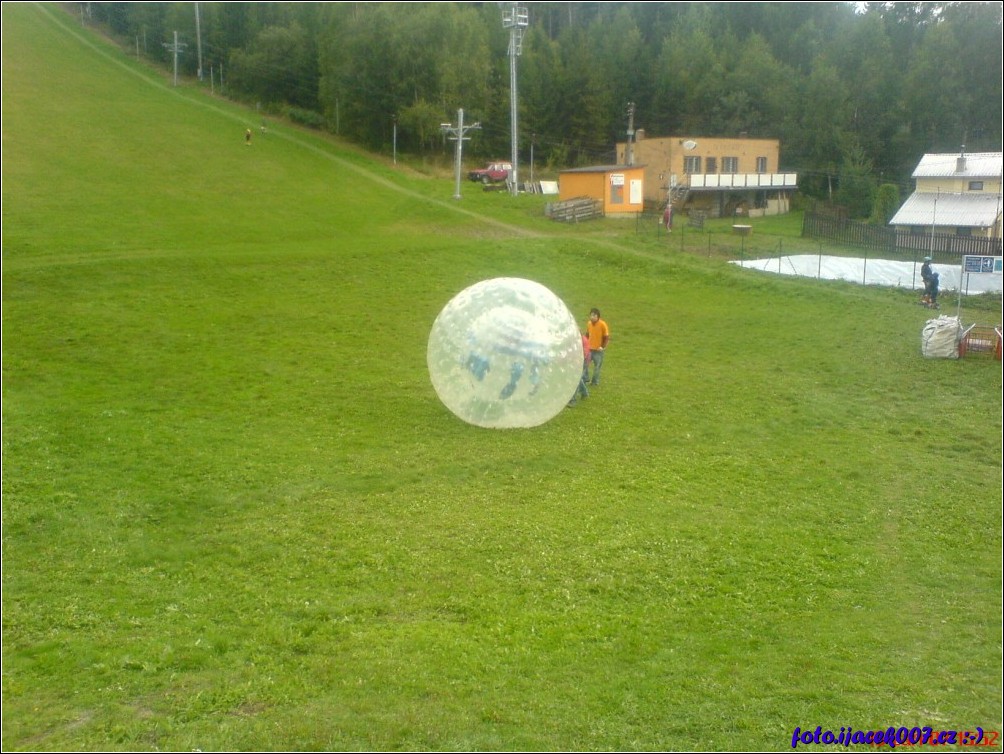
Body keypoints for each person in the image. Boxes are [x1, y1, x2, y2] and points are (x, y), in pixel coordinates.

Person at [585, 307, 610, 386]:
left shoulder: (603, 324)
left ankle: (594, 382)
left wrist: (602, 347)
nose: (592, 317)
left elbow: (606, 337)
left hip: (598, 350)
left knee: (597, 367)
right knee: (585, 364)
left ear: (598, 316)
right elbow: (587, 334)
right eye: (591, 315)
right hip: (590, 349)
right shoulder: (589, 323)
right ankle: (586, 379)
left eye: (594, 315)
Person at [568, 333, 591, 406]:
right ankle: (585, 393)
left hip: (583, 363)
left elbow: (584, 353)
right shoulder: (574, 340)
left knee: (576, 380)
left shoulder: (583, 340)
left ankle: (573, 400)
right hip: (576, 362)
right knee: (578, 379)